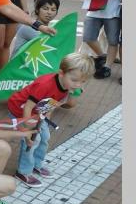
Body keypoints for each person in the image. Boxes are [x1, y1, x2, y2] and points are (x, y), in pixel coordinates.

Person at [9, 53, 95, 187]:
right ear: (61, 73)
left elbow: (52, 103)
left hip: (37, 112)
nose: (78, 85)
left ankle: (36, 164)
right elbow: (28, 107)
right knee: (32, 140)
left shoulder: (67, 86)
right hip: (20, 109)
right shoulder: (45, 85)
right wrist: (27, 129)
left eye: (82, 81)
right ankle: (23, 171)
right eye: (74, 80)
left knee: (44, 136)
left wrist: (44, 121)